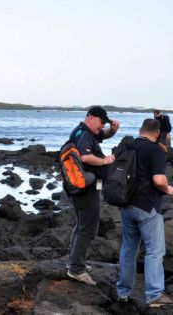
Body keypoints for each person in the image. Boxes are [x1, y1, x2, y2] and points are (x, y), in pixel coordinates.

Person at [116, 118, 173, 308]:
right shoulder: (155, 150)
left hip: (125, 204)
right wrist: (168, 189)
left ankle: (123, 292)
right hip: (147, 207)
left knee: (128, 249)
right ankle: (154, 295)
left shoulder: (127, 147)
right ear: (157, 134)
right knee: (155, 250)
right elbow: (159, 180)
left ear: (140, 130)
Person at [66, 106, 120, 285]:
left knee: (82, 224)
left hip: (85, 185)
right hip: (85, 187)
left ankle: (75, 262)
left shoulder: (88, 132)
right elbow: (84, 157)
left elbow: (102, 135)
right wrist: (105, 160)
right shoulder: (83, 133)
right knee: (88, 228)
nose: (102, 125)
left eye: (105, 122)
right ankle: (76, 269)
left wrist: (112, 129)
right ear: (90, 117)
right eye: (101, 121)